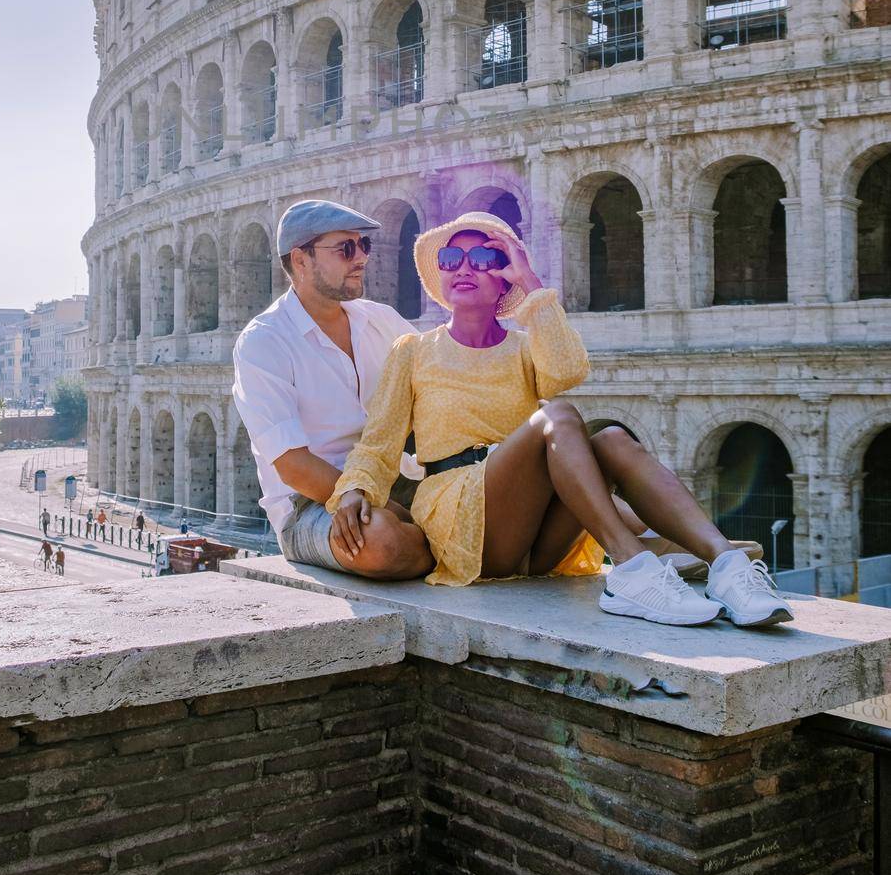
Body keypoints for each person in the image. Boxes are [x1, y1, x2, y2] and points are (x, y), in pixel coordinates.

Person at [328, 212, 791, 629]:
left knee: (610, 439)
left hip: (538, 537)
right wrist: (353, 488)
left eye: (484, 257)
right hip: (463, 520)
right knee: (561, 416)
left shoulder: (527, 347)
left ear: (505, 277)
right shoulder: (413, 351)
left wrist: (530, 282)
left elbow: (569, 370)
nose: (463, 268)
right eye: (451, 258)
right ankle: (632, 567)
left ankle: (728, 566)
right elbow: (379, 440)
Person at [233, 199, 434, 578]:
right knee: (381, 543)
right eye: (345, 248)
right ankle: (446, 548)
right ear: (301, 259)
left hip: (392, 481)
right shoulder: (264, 341)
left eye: (364, 246)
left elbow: (440, 382)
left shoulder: (381, 320)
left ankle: (432, 543)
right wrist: (397, 513)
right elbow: (293, 466)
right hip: (311, 504)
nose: (361, 258)